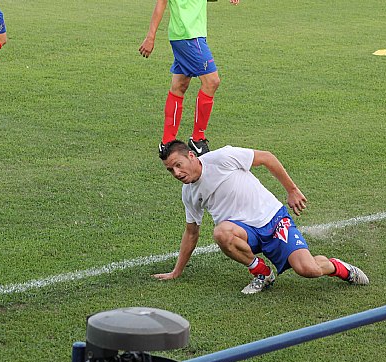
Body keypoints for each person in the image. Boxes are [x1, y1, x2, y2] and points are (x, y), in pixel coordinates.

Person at [154, 141, 369, 294]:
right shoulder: (189, 194)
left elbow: (266, 157)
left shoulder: (222, 158)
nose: (176, 173)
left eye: (178, 165)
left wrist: (292, 190)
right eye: (170, 170)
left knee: (308, 270)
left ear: (191, 156)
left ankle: (341, 268)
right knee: (221, 233)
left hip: (273, 220)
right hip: (245, 233)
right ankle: (262, 273)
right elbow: (191, 233)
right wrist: (176, 271)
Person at [139, 0, 240, 156]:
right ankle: (198, 139)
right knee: (212, 81)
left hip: (192, 35)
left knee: (179, 85)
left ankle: (166, 142)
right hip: (188, 35)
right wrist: (150, 37)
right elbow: (161, 3)